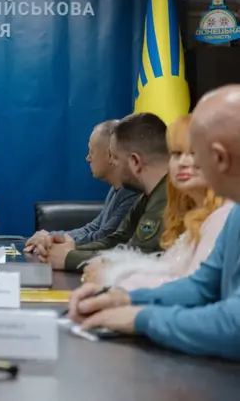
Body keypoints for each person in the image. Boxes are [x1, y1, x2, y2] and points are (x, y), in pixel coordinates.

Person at [66, 85, 240, 361]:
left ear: (218, 157)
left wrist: (139, 318)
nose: (186, 163)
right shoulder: (234, 212)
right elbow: (202, 286)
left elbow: (234, 326)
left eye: (195, 152)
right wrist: (121, 298)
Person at [81, 114, 232, 289]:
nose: (182, 162)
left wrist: (113, 277)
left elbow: (194, 289)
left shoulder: (224, 217)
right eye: (176, 154)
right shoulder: (190, 215)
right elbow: (164, 271)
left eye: (193, 153)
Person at [36, 113, 169, 271]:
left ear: (135, 161)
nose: (112, 163)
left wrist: (69, 258)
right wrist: (68, 250)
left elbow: (139, 259)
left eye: (115, 157)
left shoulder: (168, 196)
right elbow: (117, 240)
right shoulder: (147, 196)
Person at [25, 120, 139, 252]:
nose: (88, 158)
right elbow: (93, 228)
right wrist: (51, 236)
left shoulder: (132, 192)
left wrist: (51, 241)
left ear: (110, 154)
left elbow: (104, 239)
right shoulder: (116, 189)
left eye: (91, 152)